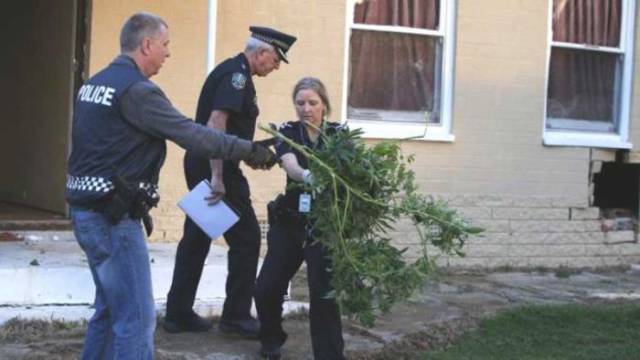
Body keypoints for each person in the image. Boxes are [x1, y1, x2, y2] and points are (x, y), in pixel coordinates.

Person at [66, 12, 276, 359]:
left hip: (86, 211)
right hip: (113, 218)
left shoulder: (95, 83)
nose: (168, 54)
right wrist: (248, 150)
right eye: (165, 45)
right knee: (136, 318)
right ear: (146, 44)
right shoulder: (138, 92)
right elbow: (191, 133)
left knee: (108, 309)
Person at [164, 26, 297, 337]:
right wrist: (218, 177)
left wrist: (254, 153)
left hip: (205, 161)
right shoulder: (236, 76)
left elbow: (230, 131)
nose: (276, 66)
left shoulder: (235, 72)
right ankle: (236, 317)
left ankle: (178, 313)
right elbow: (217, 123)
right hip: (214, 166)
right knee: (247, 238)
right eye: (276, 60)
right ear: (262, 52)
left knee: (196, 239)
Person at [254, 77, 346, 359]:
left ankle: (329, 355)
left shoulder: (339, 135)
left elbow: (349, 171)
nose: (306, 108)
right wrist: (307, 175)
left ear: (324, 105)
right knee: (266, 287)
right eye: (300, 103)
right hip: (290, 223)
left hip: (324, 225)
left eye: (312, 103)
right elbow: (289, 163)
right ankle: (271, 339)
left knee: (323, 296)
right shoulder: (287, 131)